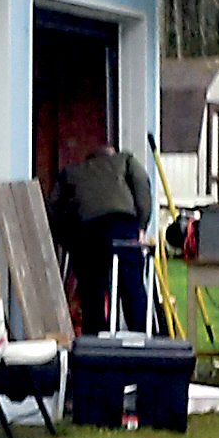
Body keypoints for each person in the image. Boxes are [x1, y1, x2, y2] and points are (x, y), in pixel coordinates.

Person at [56, 141, 152, 333]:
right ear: (111, 154)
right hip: (122, 223)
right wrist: (141, 225)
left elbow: (56, 208)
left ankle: (94, 342)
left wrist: (68, 242)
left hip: (86, 229)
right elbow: (142, 187)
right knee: (131, 284)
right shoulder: (126, 160)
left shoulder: (72, 172)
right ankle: (140, 338)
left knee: (92, 290)